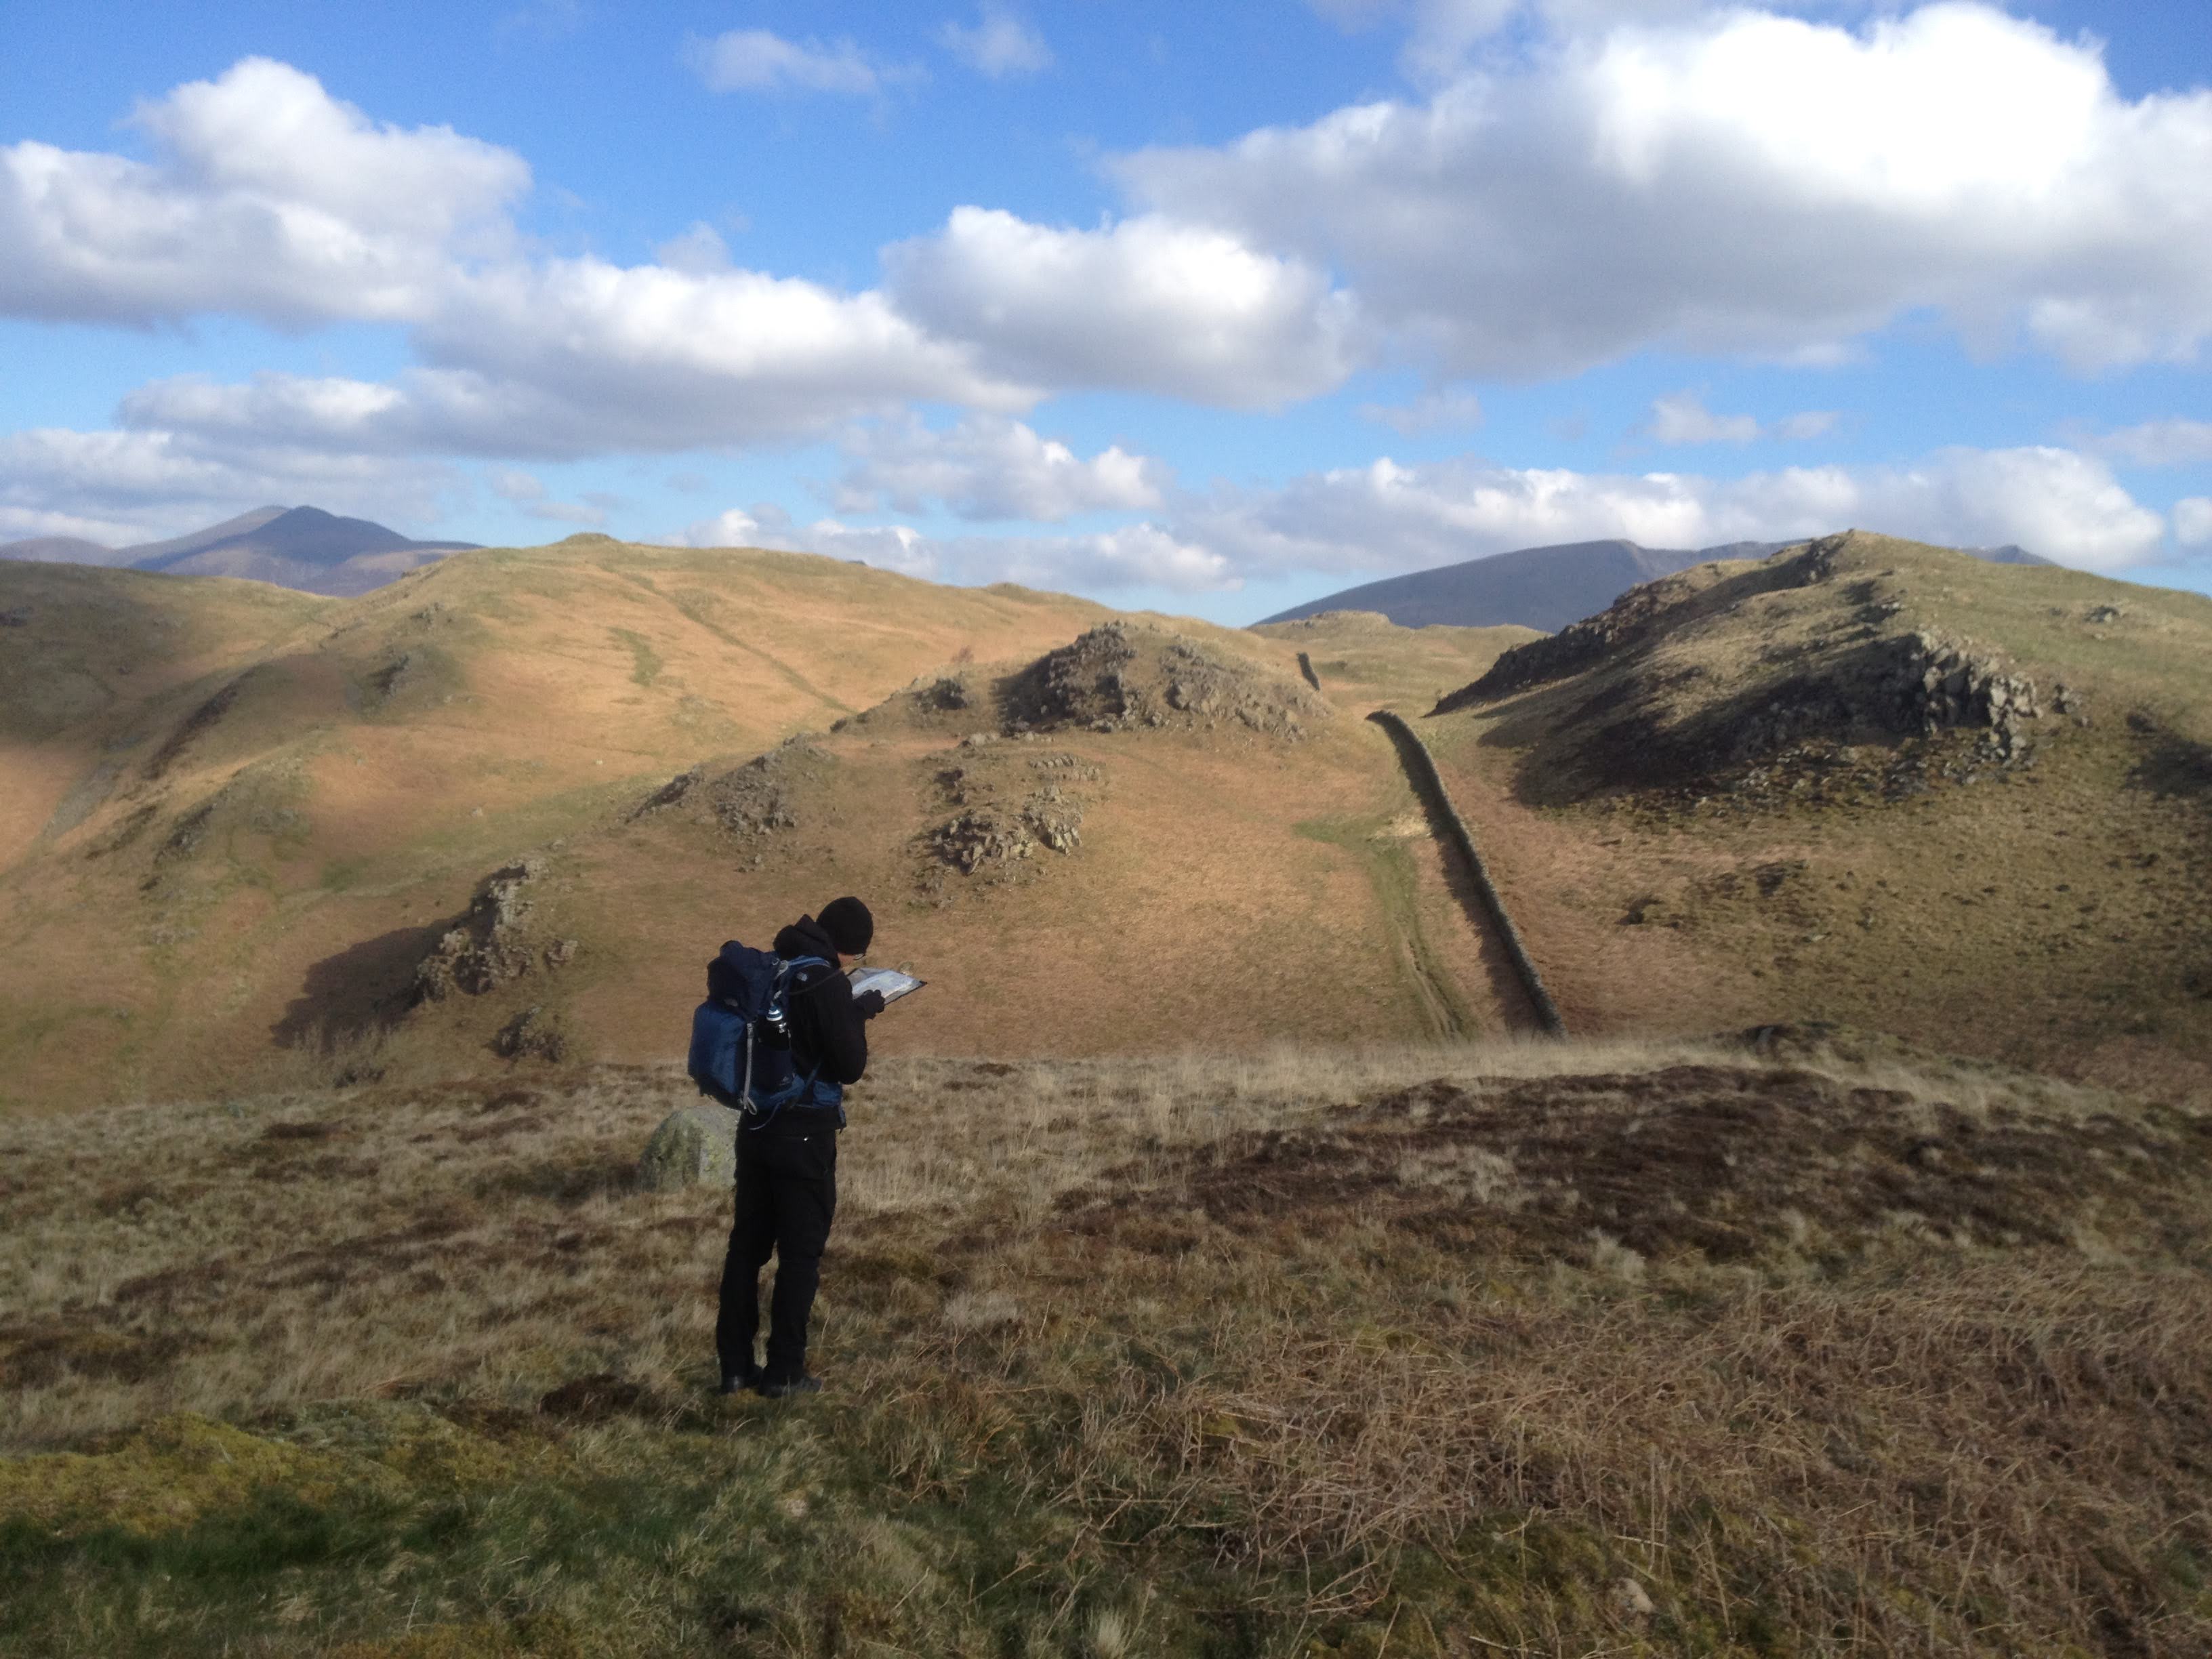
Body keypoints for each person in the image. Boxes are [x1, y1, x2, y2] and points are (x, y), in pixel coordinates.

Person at [716, 895, 885, 1397]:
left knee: (746, 1249)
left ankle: (734, 1367)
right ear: (850, 948)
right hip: (805, 1136)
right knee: (799, 1256)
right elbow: (850, 1067)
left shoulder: (777, 966)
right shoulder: (827, 982)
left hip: (756, 1127)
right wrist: (859, 1013)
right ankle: (785, 1372)